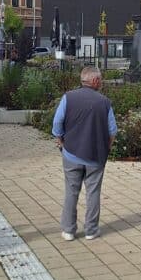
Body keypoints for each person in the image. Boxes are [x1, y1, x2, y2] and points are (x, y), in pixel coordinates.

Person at [52, 66, 117, 241]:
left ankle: (68, 230)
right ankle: (91, 230)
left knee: (71, 192)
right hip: (96, 156)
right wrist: (106, 147)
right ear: (95, 81)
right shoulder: (104, 102)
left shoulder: (68, 97)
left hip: (71, 153)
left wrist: (61, 141)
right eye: (100, 80)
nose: (102, 83)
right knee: (93, 192)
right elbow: (112, 131)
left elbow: (57, 122)